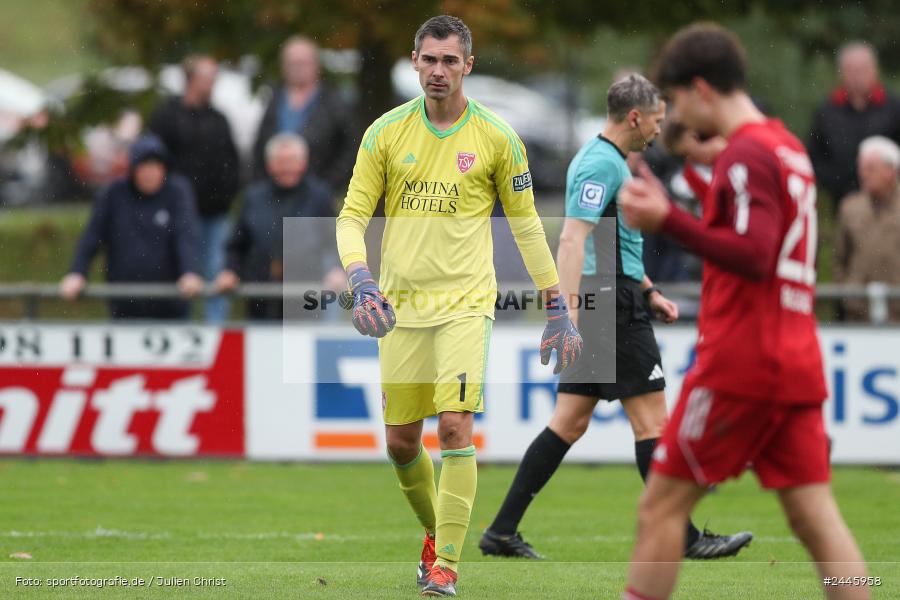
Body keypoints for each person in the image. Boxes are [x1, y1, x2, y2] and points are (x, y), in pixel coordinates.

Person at [618, 24, 869, 600]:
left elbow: (755, 254)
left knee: (659, 507)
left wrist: (667, 222)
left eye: (677, 100)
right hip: (795, 359)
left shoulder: (748, 152)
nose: (677, 114)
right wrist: (684, 204)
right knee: (815, 518)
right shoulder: (786, 147)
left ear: (701, 89)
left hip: (742, 361)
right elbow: (758, 236)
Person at [335, 15, 582, 597]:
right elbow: (351, 216)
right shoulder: (385, 133)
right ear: (414, 62)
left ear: (468, 65)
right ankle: (435, 535)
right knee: (400, 443)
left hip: (467, 304)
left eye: (450, 60)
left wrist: (558, 304)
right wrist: (361, 277)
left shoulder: (498, 137)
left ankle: (446, 564)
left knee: (452, 428)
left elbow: (525, 227)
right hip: (400, 308)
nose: (438, 70)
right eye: (429, 59)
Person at [479, 75, 752, 562]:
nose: (658, 128)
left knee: (569, 423)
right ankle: (686, 539)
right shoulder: (601, 164)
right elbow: (572, 240)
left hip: (616, 295)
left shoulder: (611, 162)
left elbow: (613, 241)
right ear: (634, 117)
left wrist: (649, 290)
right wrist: (565, 313)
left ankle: (501, 531)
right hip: (607, 304)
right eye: (656, 120)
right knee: (653, 423)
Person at [60, 134, 203, 319]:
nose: (150, 173)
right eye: (145, 166)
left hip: (171, 304)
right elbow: (92, 236)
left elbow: (186, 235)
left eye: (156, 166)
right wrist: (77, 272)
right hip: (124, 305)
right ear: (134, 169)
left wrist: (189, 271)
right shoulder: (114, 194)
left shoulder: (177, 192)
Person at [148, 54, 240, 323]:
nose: (212, 84)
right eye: (207, 77)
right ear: (191, 79)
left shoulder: (218, 119)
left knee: (217, 272)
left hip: (216, 211)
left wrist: (227, 194)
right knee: (183, 273)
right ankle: (182, 327)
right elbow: (153, 161)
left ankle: (216, 330)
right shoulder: (167, 116)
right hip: (178, 214)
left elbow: (231, 162)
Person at [216, 133, 341, 320]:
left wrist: (337, 269)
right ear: (270, 165)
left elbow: (336, 241)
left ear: (303, 163)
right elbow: (236, 244)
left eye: (292, 161)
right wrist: (230, 271)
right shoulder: (253, 197)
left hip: (307, 301)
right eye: (281, 161)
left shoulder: (319, 197)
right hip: (260, 300)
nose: (287, 167)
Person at [252, 36, 358, 192]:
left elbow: (350, 149)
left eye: (303, 62)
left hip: (317, 195)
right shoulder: (274, 99)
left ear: (316, 65)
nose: (298, 68)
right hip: (274, 194)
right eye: (293, 63)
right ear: (283, 66)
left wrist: (327, 186)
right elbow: (260, 145)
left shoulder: (333, 103)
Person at [808, 41, 900, 211]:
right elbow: (815, 156)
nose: (857, 76)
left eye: (863, 69)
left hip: (890, 204)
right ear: (841, 73)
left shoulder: (893, 109)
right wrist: (835, 181)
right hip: (841, 203)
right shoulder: (827, 111)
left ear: (875, 70)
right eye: (851, 70)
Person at [834, 135, 900, 322]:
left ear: (890, 171)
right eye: (861, 167)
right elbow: (839, 258)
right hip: (858, 314)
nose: (863, 174)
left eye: (870, 168)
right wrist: (847, 291)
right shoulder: (849, 207)